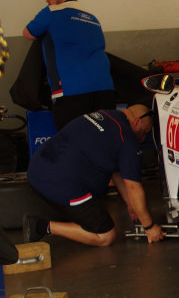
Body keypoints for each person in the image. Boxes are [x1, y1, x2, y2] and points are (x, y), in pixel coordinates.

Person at [23, 103, 165, 246]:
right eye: (144, 132)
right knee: (106, 235)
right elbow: (133, 187)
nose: (142, 138)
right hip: (60, 183)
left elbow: (118, 172)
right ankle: (40, 226)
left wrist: (131, 204)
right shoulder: (127, 140)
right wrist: (149, 226)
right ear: (137, 122)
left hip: (37, 169)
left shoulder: (104, 114)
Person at [23, 0, 115, 130]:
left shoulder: (52, 12)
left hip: (72, 90)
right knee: (104, 140)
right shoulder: (92, 17)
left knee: (72, 143)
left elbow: (28, 33)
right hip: (105, 88)